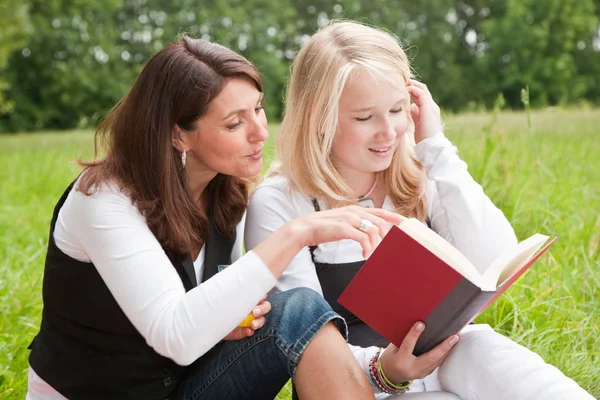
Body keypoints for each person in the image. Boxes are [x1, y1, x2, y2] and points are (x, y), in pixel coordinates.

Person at [25, 34, 409, 400]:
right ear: (180, 135)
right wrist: (298, 232)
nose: (261, 132)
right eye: (234, 123)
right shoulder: (105, 199)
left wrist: (233, 319)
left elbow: (214, 312)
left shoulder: (226, 194)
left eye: (258, 108)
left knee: (298, 310)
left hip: (186, 387)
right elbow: (175, 333)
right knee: (296, 308)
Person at [245, 21, 595, 400]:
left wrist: (436, 147)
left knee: (490, 352)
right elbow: (307, 349)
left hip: (444, 358)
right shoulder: (280, 202)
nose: (389, 132)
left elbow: (492, 259)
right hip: (353, 385)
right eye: (365, 117)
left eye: (397, 109)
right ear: (319, 120)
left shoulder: (418, 171)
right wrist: (388, 369)